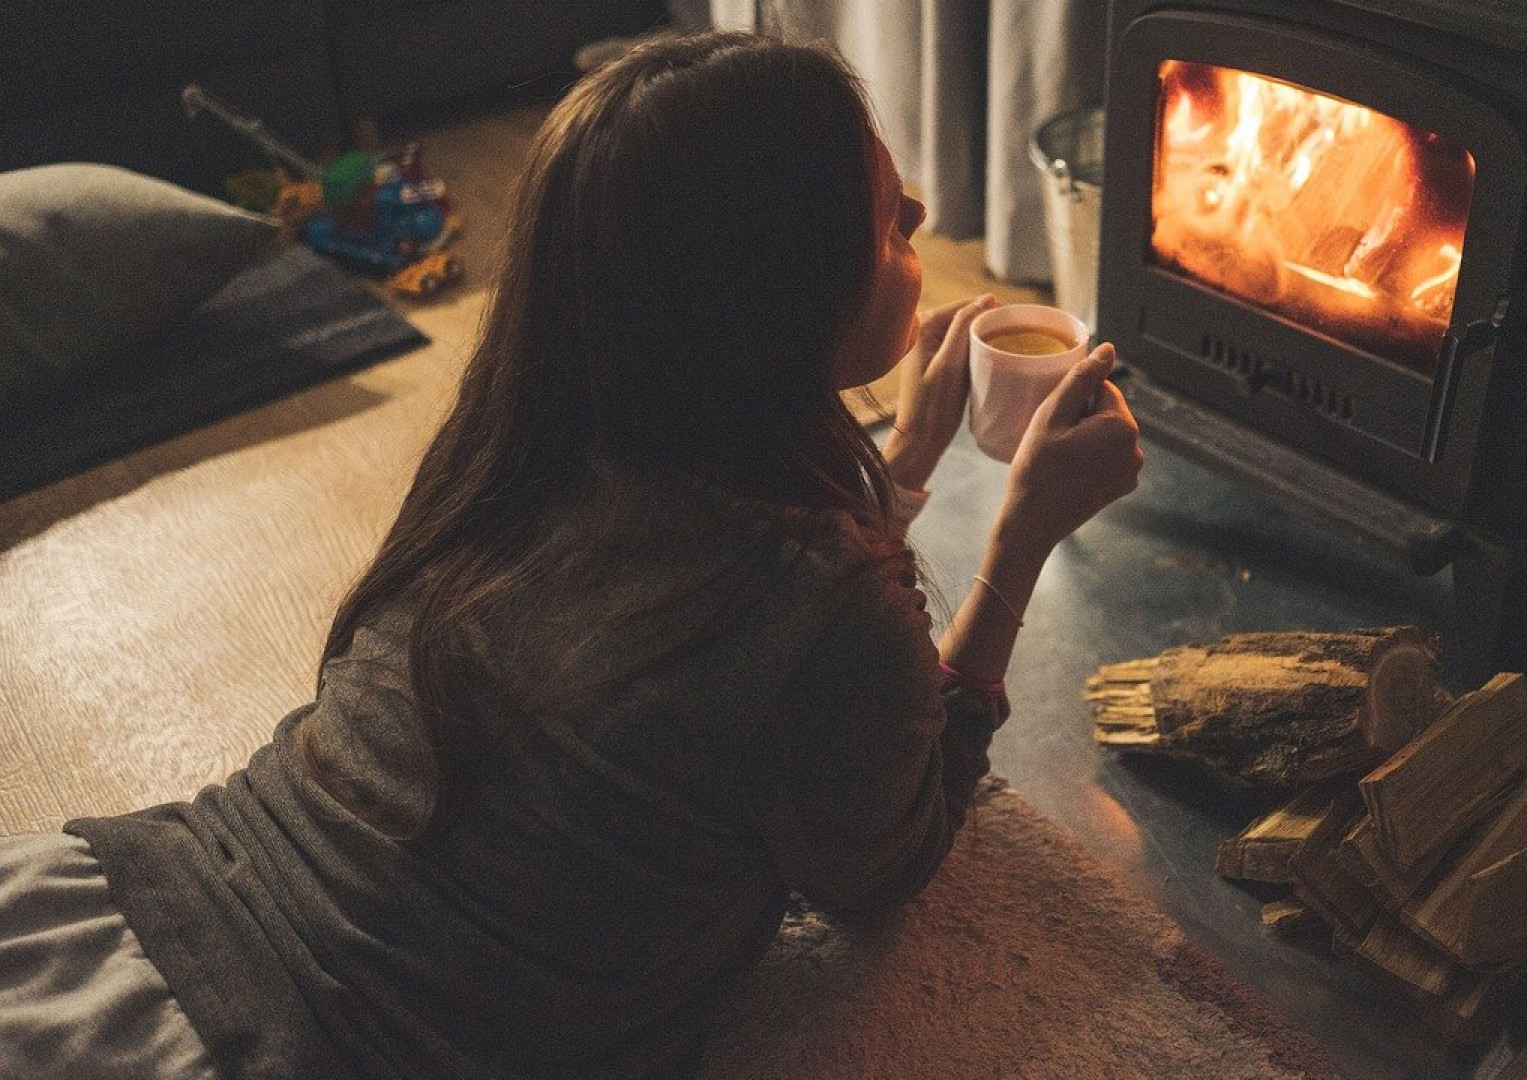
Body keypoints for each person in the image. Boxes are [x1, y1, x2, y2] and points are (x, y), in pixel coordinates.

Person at [0, 29, 1143, 1080]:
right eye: (890, 220)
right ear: (773, 295)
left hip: (136, 906)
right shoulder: (827, 616)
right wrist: (1020, 542)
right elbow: (880, 871)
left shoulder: (523, 443)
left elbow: (716, 648)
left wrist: (894, 473)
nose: (925, 214)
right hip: (297, 1047)